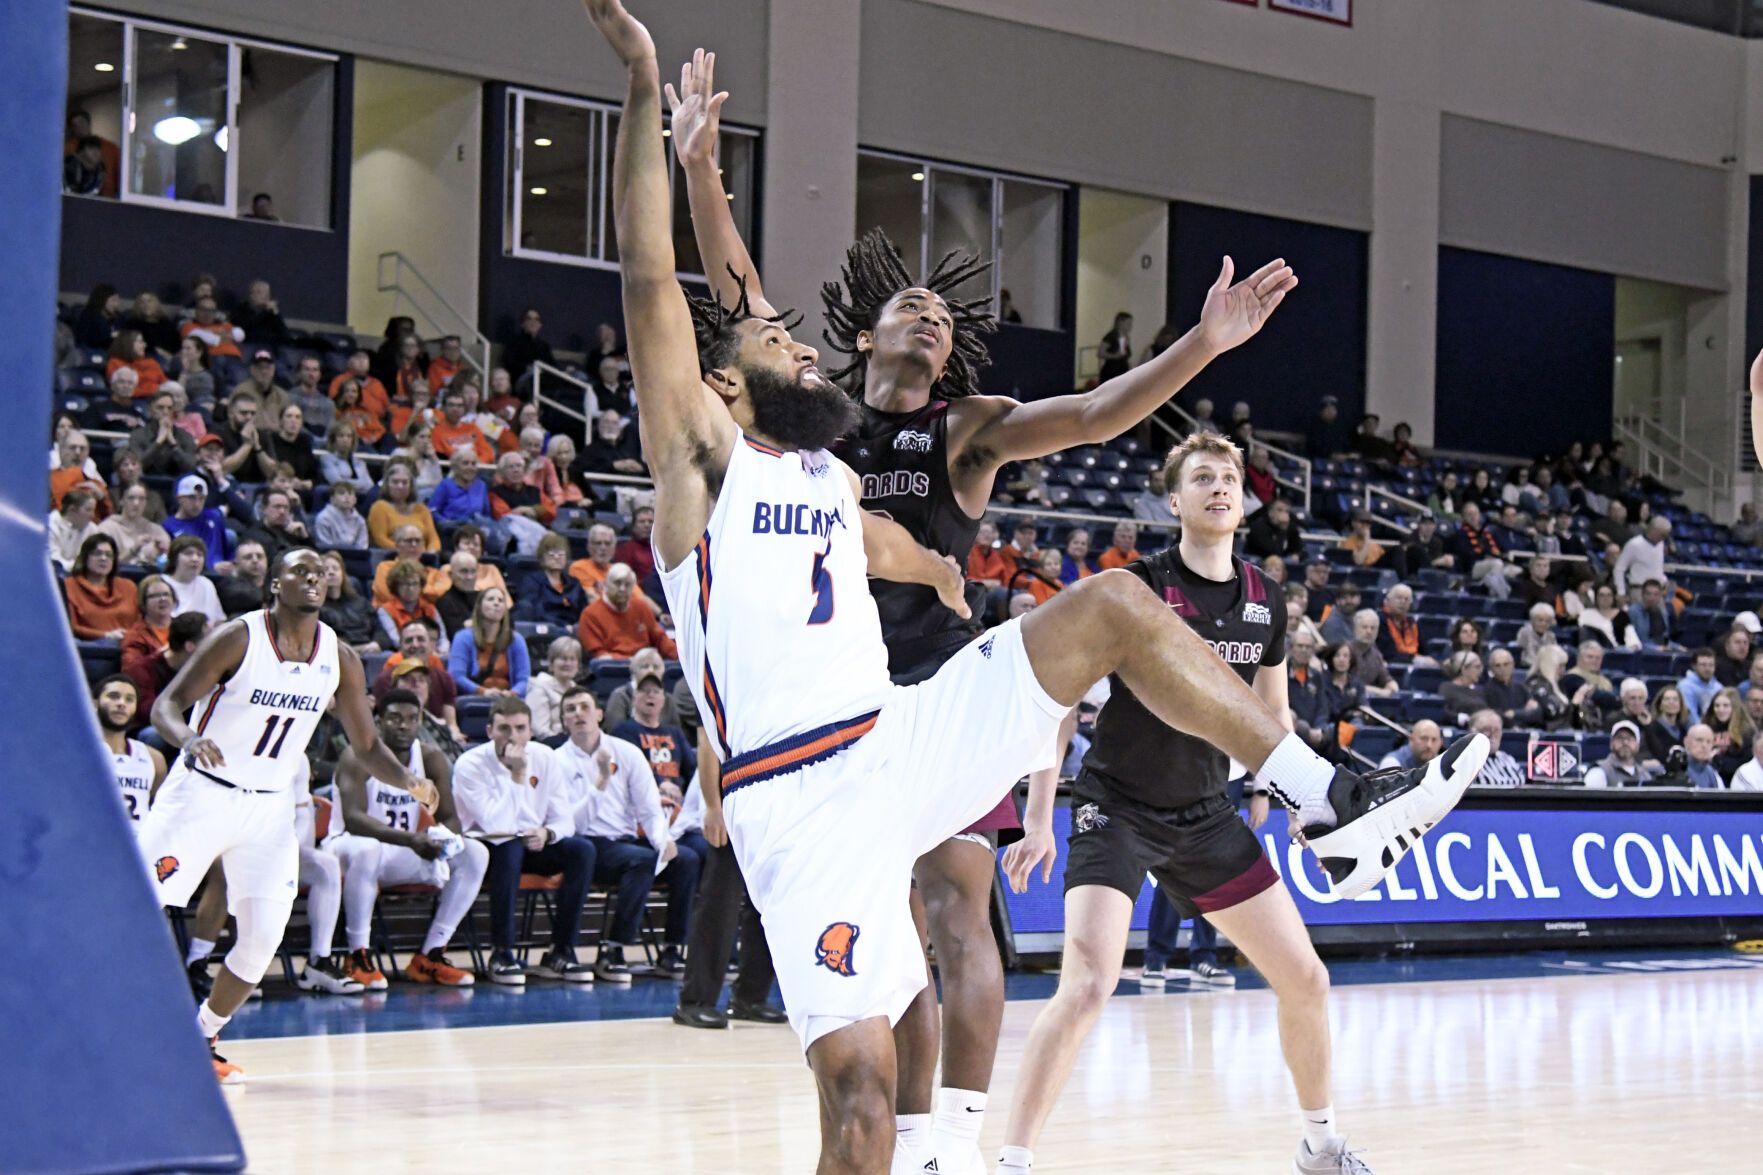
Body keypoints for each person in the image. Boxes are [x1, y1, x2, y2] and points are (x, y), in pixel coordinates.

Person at [584, 14, 1481, 1175]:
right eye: (775, 342)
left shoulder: (836, 460)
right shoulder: (701, 460)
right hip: (796, 791)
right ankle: (926, 1144)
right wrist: (650, 96)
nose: (795, 346)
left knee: (1110, 601)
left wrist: (937, 566)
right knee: (856, 1095)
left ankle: (1328, 800)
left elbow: (877, 528)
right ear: (721, 380)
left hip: (899, 728)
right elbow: (663, 272)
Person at [138, 548, 429, 1082]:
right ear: (275, 583)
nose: (313, 578)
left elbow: (366, 744)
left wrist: (409, 782)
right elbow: (165, 707)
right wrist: (188, 739)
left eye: (321, 572)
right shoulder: (238, 637)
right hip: (203, 791)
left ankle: (200, 1038)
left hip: (268, 806)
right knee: (135, 913)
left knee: (262, 940)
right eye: (300, 570)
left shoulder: (338, 656)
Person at [328, 690, 489, 988]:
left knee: (475, 853)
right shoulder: (356, 755)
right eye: (395, 718)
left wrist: (443, 841)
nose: (404, 726)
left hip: (401, 849)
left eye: (412, 719)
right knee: (368, 848)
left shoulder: (430, 758)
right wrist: (412, 841)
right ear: (378, 722)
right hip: (347, 850)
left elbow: (450, 817)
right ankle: (357, 956)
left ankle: (431, 954)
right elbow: (354, 819)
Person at [452, 695, 597, 984]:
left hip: (531, 842)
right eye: (504, 729)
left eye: (520, 728)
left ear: (531, 731)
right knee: (507, 848)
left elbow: (563, 818)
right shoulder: (469, 764)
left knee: (582, 850)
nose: (513, 736)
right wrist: (517, 774)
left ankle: (561, 950)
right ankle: (502, 953)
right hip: (484, 850)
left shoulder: (545, 757)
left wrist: (547, 833)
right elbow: (498, 825)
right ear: (490, 731)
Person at [558, 685, 696, 980]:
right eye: (570, 710)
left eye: (584, 707)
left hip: (626, 841)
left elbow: (648, 806)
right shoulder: (557, 761)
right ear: (564, 722)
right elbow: (571, 824)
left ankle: (672, 950)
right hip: (588, 845)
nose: (578, 714)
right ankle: (614, 948)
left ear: (599, 714)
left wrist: (663, 840)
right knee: (640, 860)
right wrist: (601, 782)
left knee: (686, 859)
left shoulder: (628, 752)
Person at [95, 675, 167, 830]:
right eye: (113, 696)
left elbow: (158, 810)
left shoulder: (154, 759)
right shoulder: (81, 754)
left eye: (129, 699)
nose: (121, 703)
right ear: (95, 704)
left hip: (138, 847)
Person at [577, 562, 676, 660]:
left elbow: (661, 639)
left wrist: (681, 658)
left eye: (627, 585)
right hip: (610, 668)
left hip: (643, 666)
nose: (622, 589)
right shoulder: (590, 614)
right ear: (606, 584)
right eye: (617, 583)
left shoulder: (641, 607)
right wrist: (631, 661)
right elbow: (598, 654)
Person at [448, 588, 529, 697]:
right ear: (479, 606)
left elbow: (523, 680)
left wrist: (512, 693)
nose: (496, 603)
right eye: (490, 599)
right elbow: (456, 675)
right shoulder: (462, 637)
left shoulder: (516, 640)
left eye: (501, 600)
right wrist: (483, 692)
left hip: (508, 700)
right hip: (474, 699)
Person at [63, 534, 137, 640]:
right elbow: (71, 628)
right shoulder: (69, 586)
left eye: (109, 555)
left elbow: (141, 623)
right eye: (97, 553)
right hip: (90, 651)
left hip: (130, 647)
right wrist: (106, 635)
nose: (103, 558)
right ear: (85, 557)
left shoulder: (128, 587)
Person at [602, 647, 683, 731]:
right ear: (633, 671)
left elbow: (677, 734)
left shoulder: (669, 700)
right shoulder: (620, 696)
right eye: (645, 666)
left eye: (656, 667)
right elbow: (615, 731)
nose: (651, 671)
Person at [367, 461, 441, 552]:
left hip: (423, 556)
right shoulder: (379, 507)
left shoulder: (422, 509)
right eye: (395, 482)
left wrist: (431, 551)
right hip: (393, 556)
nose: (400, 486)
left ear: (411, 486)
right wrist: (407, 551)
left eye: (405, 482)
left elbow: (434, 539)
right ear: (387, 485)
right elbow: (379, 539)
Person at [316, 550, 379, 655]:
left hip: (370, 649)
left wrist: (378, 643)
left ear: (343, 574)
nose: (331, 572)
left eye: (336, 569)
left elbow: (379, 629)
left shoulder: (361, 601)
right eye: (326, 570)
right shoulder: (316, 607)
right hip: (338, 653)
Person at [377, 560, 444, 651]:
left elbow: (443, 639)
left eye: (415, 584)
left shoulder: (430, 608)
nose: (411, 588)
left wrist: (442, 650)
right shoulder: (386, 610)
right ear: (396, 586)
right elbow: (396, 641)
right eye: (406, 584)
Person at [99, 483, 171, 567]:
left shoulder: (156, 530)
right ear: (121, 501)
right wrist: (134, 549)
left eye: (141, 499)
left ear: (145, 503)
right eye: (131, 498)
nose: (136, 503)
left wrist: (164, 551)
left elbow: (169, 563)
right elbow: (104, 564)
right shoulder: (107, 528)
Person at [120, 575, 179, 674]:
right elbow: (130, 669)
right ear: (143, 603)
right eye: (155, 596)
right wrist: (161, 656)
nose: (162, 599)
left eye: (166, 594)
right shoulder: (135, 635)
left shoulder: (184, 626)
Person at [528, 637, 583, 739]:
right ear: (551, 664)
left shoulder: (579, 692)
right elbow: (539, 730)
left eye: (572, 659)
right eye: (563, 658)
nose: (568, 663)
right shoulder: (539, 688)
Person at [1583, 720, 1661, 788]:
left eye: (1630, 738)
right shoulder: (1599, 772)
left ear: (1637, 746)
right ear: (1611, 744)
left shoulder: (1644, 775)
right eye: (1620, 738)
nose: (1625, 742)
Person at [1614, 516, 1671, 598]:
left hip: (1657, 592)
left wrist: (1664, 580)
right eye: (1662, 535)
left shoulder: (1661, 545)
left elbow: (1656, 567)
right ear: (1654, 530)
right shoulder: (1634, 544)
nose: (1663, 538)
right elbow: (1619, 568)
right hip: (1639, 591)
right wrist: (1621, 592)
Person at [1467, 710, 1526, 787]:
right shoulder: (1467, 761)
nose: (1492, 734)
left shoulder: (1508, 760)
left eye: (1496, 730)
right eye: (1486, 730)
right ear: (1472, 732)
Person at [1346, 609, 1398, 698]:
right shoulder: (1345, 651)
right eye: (1364, 627)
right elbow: (1346, 684)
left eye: (1373, 628)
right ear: (1354, 629)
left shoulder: (1376, 655)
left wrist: (1393, 687)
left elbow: (1386, 678)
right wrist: (1379, 691)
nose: (1369, 631)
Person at [1525, 645, 1576, 731]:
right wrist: (1573, 704)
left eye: (1564, 665)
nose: (1563, 670)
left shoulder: (1558, 684)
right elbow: (1551, 712)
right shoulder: (1535, 683)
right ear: (1549, 664)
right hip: (1547, 734)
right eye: (1560, 666)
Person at [107, 330, 168, 400]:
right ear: (128, 343)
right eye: (140, 342)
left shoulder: (152, 363)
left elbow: (167, 386)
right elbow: (124, 391)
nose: (145, 345)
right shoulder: (115, 363)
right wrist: (155, 389)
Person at [314, 480, 369, 549]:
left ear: (355, 499)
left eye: (350, 494)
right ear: (332, 499)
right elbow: (324, 546)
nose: (347, 497)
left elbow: (362, 547)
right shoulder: (323, 518)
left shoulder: (360, 520)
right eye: (341, 493)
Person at [1244, 496, 1303, 560]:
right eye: (1280, 510)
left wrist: (1296, 555)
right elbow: (1272, 552)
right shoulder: (1258, 526)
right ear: (1270, 512)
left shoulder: (1290, 526)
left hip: (1278, 565)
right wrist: (1282, 529)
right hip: (1257, 563)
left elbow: (1299, 548)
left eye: (1286, 511)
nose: (1284, 514)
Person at [1439, 651, 1486, 726]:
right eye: (1477, 667)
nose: (1481, 671)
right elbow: (1442, 711)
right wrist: (1461, 718)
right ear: (1464, 669)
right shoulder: (1447, 688)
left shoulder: (1479, 690)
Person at [1628, 579, 1677, 649]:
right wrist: (1656, 648)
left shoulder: (1663, 613)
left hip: (1661, 650)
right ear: (1642, 595)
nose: (1652, 598)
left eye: (1656, 594)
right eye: (1648, 594)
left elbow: (1664, 639)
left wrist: (1677, 647)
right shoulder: (1634, 612)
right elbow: (1637, 641)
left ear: (1660, 597)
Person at [1377, 719, 1443, 770]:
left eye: (1434, 740)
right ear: (1411, 740)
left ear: (1440, 743)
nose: (1429, 745)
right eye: (1424, 739)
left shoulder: (1442, 765)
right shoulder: (1392, 764)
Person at [1678, 647, 1721, 724]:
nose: (1707, 669)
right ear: (1694, 666)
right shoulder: (1685, 686)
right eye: (1703, 665)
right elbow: (1690, 718)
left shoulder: (1719, 687)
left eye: (1711, 665)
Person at [1515, 602, 1560, 669]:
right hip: (1527, 668)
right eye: (1540, 620)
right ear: (1533, 620)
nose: (1543, 624)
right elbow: (1525, 657)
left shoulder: (1551, 636)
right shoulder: (1525, 632)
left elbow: (1555, 656)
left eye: (1547, 621)